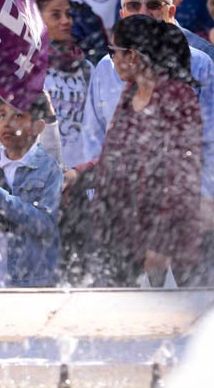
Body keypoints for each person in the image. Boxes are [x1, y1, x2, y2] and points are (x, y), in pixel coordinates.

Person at [81, 0, 214, 213]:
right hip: (118, 204)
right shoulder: (107, 66)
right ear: (122, 14)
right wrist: (95, 193)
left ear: (171, 11)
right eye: (133, 6)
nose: (143, 12)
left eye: (153, 5)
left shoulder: (197, 66)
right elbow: (94, 137)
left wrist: (209, 197)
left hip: (172, 205)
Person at [75, 15, 203, 285]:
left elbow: (182, 174)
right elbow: (114, 155)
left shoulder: (177, 97)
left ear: (131, 55)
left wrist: (161, 242)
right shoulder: (131, 92)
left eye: (114, 52)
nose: (112, 59)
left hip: (163, 234)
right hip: (123, 226)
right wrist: (78, 173)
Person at [0, 96, 62, 288]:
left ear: (37, 127)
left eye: (18, 116)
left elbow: (46, 224)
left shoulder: (48, 170)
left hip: (35, 284)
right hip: (1, 283)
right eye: (3, 115)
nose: (7, 123)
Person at [37, 0, 92, 167]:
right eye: (56, 15)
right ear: (38, 20)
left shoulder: (85, 67)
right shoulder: (30, 67)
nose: (66, 21)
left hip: (80, 169)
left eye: (68, 14)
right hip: (42, 169)